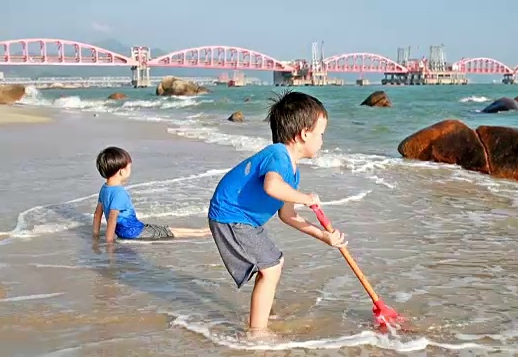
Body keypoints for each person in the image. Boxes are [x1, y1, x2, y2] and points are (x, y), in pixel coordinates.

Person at [207, 90, 347, 339]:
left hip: (242, 218)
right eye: (321, 134)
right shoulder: (279, 154)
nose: (323, 141)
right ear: (305, 134)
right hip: (231, 214)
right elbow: (271, 186)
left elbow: (288, 215)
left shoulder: (291, 171)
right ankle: (257, 331)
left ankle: (261, 315)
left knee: (273, 263)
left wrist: (324, 236)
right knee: (271, 267)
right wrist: (306, 197)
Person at [92, 146, 210, 243]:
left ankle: (201, 231)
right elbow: (113, 218)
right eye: (129, 168)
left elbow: (97, 214)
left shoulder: (105, 188)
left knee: (165, 229)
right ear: (122, 171)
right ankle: (202, 233)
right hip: (134, 232)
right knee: (168, 232)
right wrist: (109, 243)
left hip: (131, 229)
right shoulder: (119, 193)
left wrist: (96, 235)